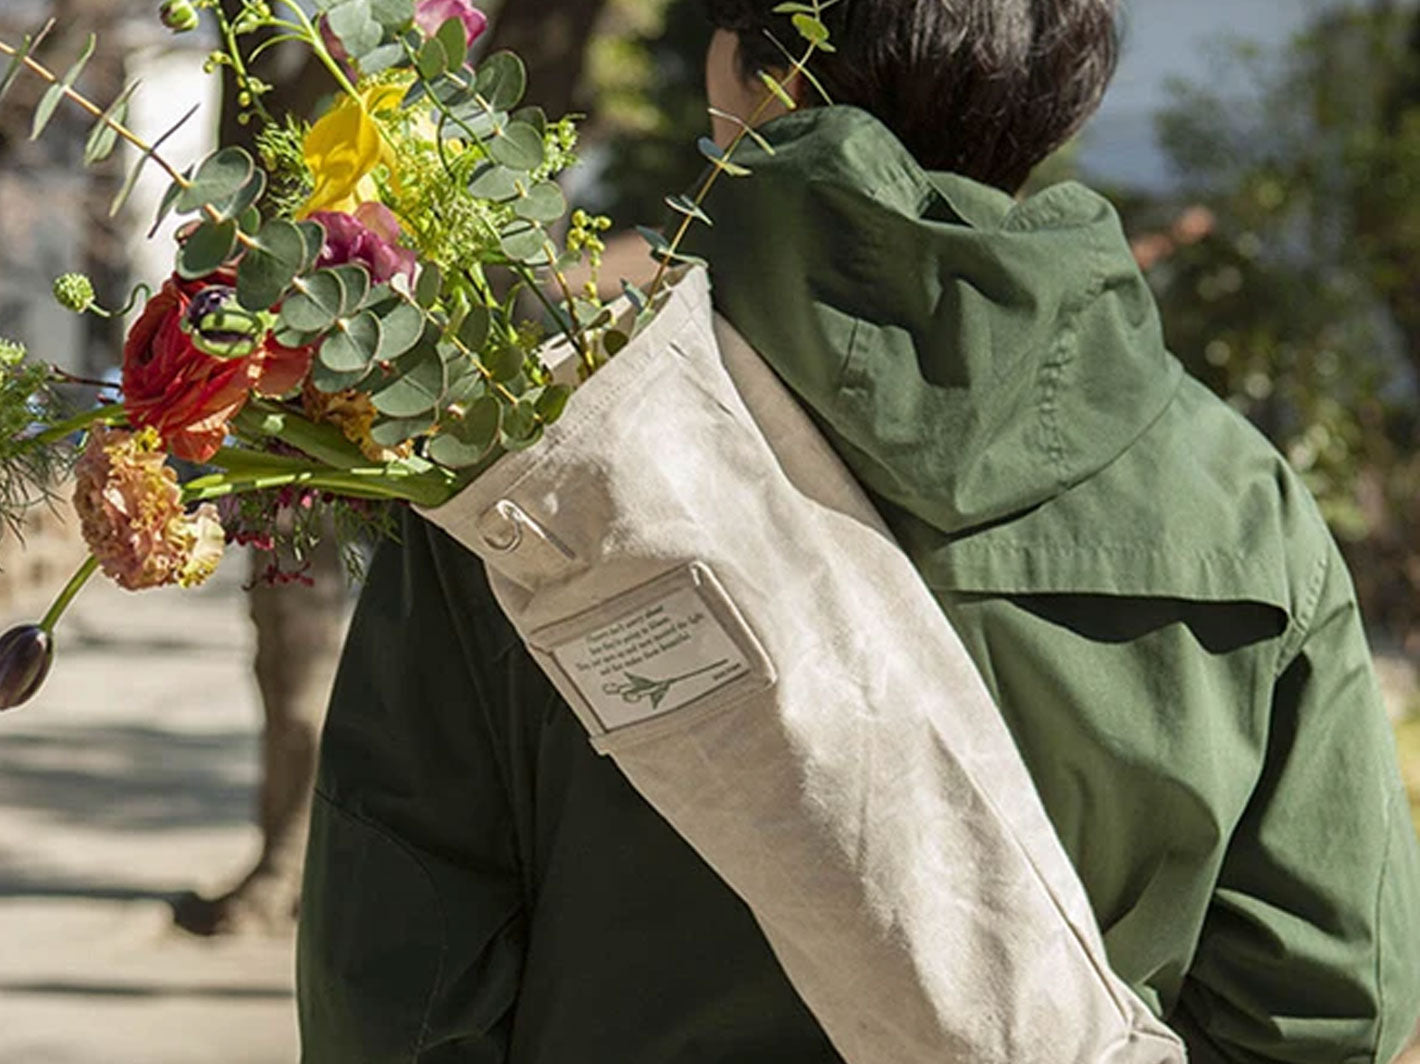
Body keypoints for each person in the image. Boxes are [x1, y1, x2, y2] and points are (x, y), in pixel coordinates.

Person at [296, 1, 1420, 1061]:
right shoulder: (1237, 503)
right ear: (1066, 94)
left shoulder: (545, 462)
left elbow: (396, 977)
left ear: (745, 68)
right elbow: (1331, 1003)